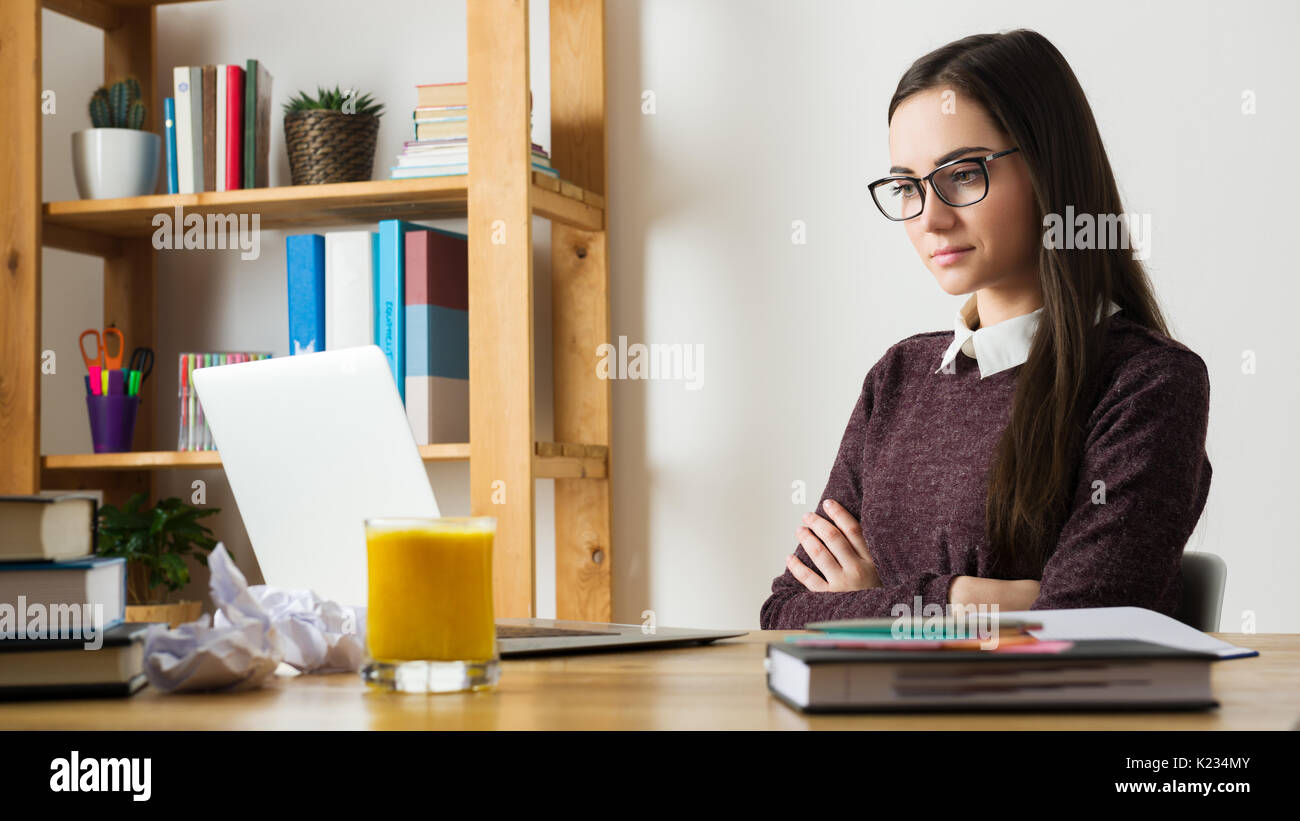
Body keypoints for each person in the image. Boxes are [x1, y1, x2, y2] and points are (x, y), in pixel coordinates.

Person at [760, 29, 1212, 630]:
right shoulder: (898, 377)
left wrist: (871, 605)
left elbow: (1088, 624)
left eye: (964, 175)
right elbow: (788, 609)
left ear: (1050, 167)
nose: (931, 218)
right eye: (906, 187)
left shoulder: (1148, 381)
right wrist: (972, 598)